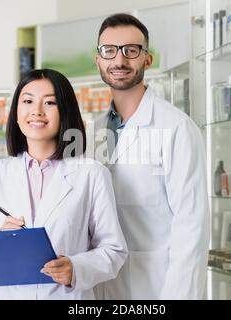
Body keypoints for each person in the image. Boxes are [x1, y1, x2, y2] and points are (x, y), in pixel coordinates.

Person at [0, 69, 127, 299]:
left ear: (65, 110)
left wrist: (76, 268)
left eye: (50, 102)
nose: (37, 111)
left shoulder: (91, 174)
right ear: (16, 112)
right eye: (28, 101)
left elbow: (114, 250)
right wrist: (0, 240)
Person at [92, 13, 210, 300]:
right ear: (98, 60)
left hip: (156, 288)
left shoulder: (177, 127)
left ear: (147, 59)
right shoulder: (92, 131)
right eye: (109, 51)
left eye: (131, 51)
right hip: (100, 288)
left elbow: (192, 228)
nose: (119, 61)